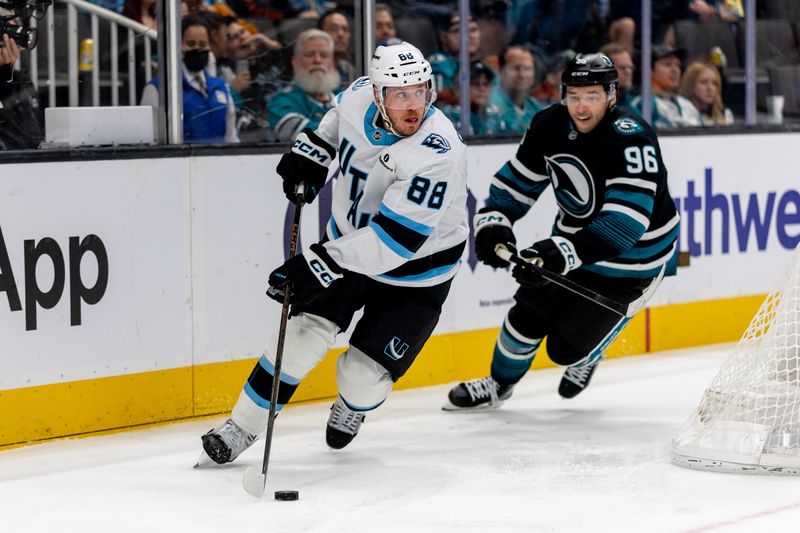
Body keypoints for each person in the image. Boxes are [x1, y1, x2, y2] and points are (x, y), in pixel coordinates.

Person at [200, 41, 468, 463]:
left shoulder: (438, 153)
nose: (413, 106)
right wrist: (315, 151)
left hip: (417, 272)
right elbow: (335, 119)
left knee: (361, 378)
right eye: (400, 95)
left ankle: (354, 406)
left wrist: (320, 262)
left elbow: (394, 243)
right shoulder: (360, 94)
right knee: (302, 338)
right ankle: (241, 427)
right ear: (378, 95)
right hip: (348, 239)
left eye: (421, 91)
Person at [443, 53, 679, 410]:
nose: (581, 107)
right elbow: (515, 186)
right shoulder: (549, 125)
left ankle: (590, 353)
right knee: (526, 314)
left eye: (592, 96)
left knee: (565, 350)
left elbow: (625, 225)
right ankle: (497, 385)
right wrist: (495, 224)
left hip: (633, 261)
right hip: (574, 239)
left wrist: (561, 253)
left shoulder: (632, 136)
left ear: (612, 96)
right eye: (574, 96)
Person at [140, 14, 238, 143]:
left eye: (203, 44)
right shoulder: (158, 88)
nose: (197, 48)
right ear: (179, 46)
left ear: (210, 46)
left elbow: (231, 138)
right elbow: (150, 142)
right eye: (191, 44)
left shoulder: (221, 87)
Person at [267, 29, 339, 142]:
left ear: (333, 62)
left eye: (324, 55)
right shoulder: (281, 102)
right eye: (310, 54)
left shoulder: (345, 99)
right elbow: (305, 138)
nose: (317, 60)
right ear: (295, 61)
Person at [631, 45, 701, 129]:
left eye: (678, 65)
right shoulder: (642, 105)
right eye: (668, 65)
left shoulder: (688, 105)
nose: (675, 70)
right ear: (649, 71)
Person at [428, 10, 482, 106]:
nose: (469, 35)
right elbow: (441, 105)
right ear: (443, 37)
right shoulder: (438, 65)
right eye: (459, 30)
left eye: (473, 30)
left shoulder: (482, 65)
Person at [442, 60, 506, 136]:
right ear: (459, 88)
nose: (482, 89)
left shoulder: (494, 115)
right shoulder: (449, 116)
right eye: (475, 83)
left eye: (486, 84)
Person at [489, 45, 542, 135]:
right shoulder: (491, 104)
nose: (522, 74)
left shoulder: (534, 106)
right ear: (501, 71)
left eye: (527, 68)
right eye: (515, 68)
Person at [678, 61, 733, 126]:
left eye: (714, 83)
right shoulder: (679, 112)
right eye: (703, 82)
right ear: (690, 85)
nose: (710, 88)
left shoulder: (726, 114)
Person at [318, 10, 355, 91]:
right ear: (320, 33)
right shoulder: (314, 69)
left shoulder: (350, 71)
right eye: (333, 29)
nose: (341, 34)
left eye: (345, 30)